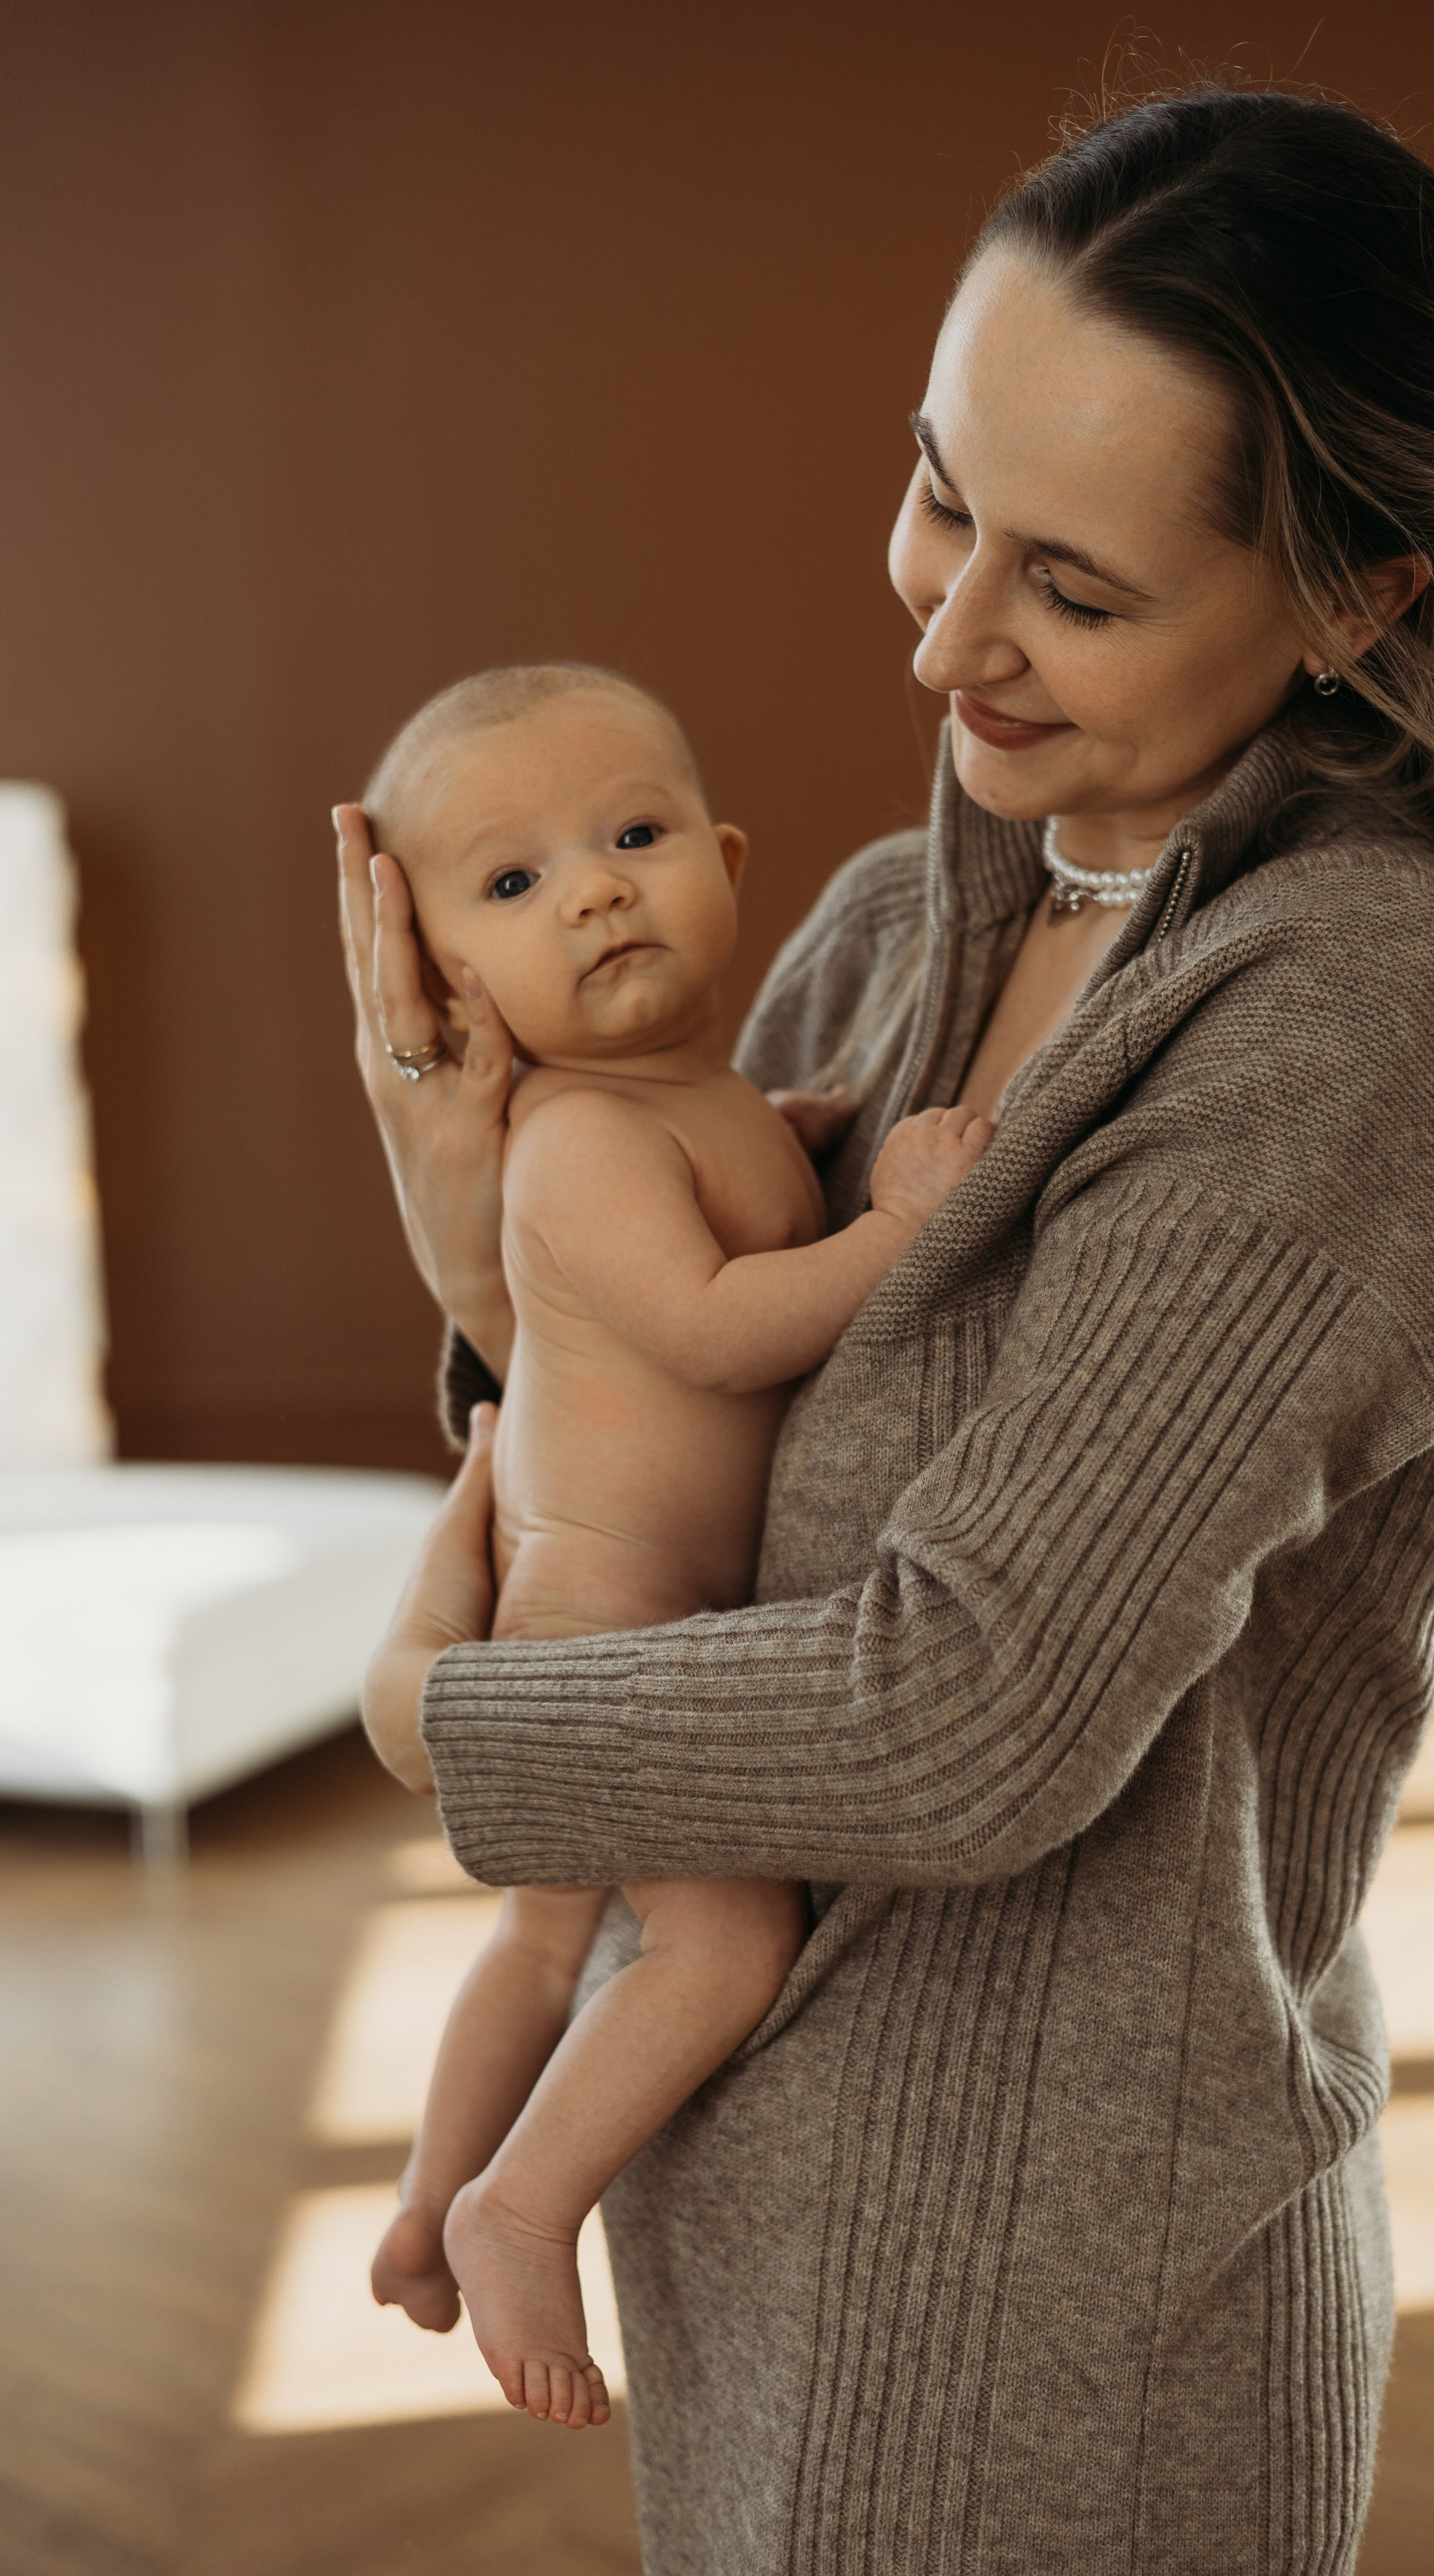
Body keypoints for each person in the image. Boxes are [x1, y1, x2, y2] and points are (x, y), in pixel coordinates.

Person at [338, 86, 1434, 2576]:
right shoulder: (888, 925)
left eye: (1072, 588)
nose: (944, 627)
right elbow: (694, 1451)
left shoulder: (1357, 1012)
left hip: (1046, 2321)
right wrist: (476, 1254)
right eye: (939, 487)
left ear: (1359, 603)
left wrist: (443, 1717)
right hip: (745, 2231)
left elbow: (967, 1708)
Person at [353, 663, 991, 2427]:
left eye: (632, 835)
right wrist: (908, 1229)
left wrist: (818, 1156)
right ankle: (519, 2206)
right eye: (513, 882)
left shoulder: (709, 1097)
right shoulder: (572, 1147)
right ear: (459, 992)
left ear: (724, 857)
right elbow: (718, 1329)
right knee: (719, 1946)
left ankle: (421, 2205)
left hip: (625, 1616)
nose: (595, 887)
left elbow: (752, 1197)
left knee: (549, 1949)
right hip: (599, 1626)